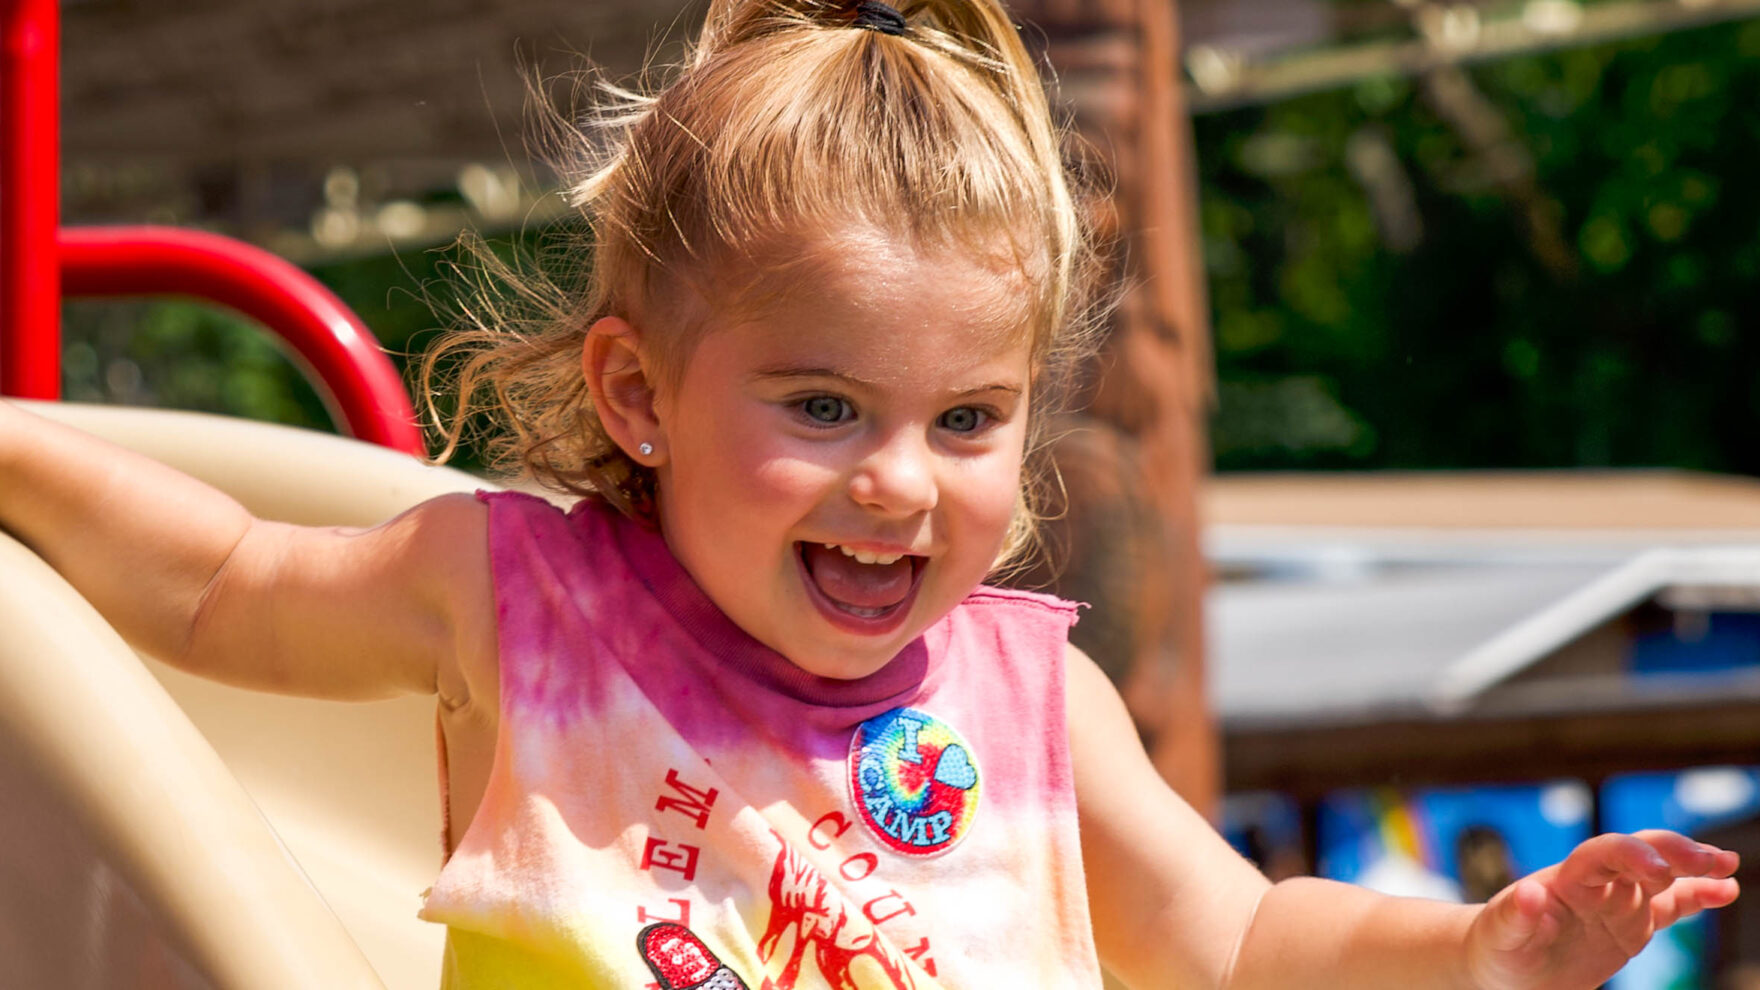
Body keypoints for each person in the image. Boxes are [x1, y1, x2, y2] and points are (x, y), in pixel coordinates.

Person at [0, 0, 1739, 986]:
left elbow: (1240, 932)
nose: (899, 482)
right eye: (824, 403)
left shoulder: (1033, 697)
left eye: (969, 418)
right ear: (639, 393)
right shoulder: (519, 594)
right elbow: (219, 579)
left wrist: (1482, 948)